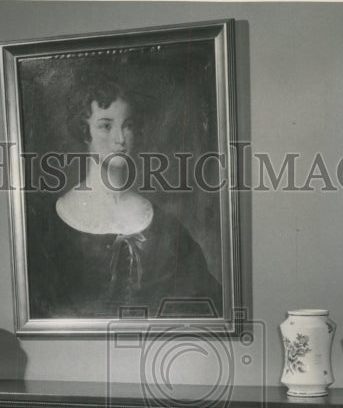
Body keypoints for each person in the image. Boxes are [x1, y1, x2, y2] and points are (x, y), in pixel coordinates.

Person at [26, 79, 222, 320]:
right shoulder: (48, 227)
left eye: (127, 125)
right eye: (106, 126)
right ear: (83, 131)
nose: (120, 138)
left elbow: (206, 307)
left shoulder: (167, 228)